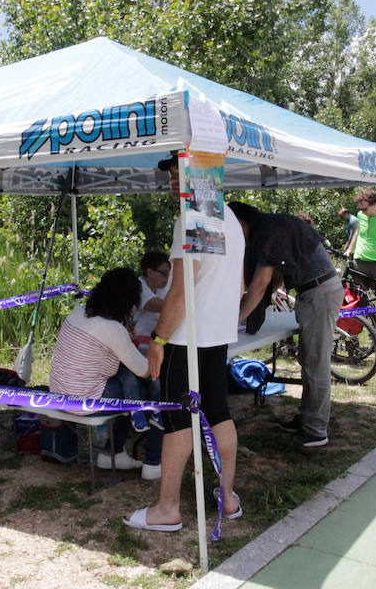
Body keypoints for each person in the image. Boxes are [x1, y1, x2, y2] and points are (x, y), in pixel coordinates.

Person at [123, 154, 244, 532]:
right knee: (218, 412)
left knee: (178, 420)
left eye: (180, 172)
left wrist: (159, 338)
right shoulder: (229, 218)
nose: (174, 180)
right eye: (171, 174)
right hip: (215, 335)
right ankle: (228, 496)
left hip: (187, 337)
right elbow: (237, 285)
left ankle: (167, 509)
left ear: (202, 173)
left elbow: (179, 291)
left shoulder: (192, 216)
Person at [228, 202, 343, 447]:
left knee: (316, 364)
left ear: (241, 223)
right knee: (309, 360)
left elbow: (260, 284)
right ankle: (307, 418)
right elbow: (275, 279)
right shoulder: (275, 223)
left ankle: (315, 430)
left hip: (318, 292)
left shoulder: (268, 232)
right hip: (316, 291)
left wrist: (236, 319)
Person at [48, 267, 163, 479]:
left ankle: (113, 452)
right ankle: (153, 461)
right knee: (156, 386)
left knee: (126, 378)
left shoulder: (77, 312)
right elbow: (145, 370)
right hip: (84, 400)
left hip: (59, 393)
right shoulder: (112, 329)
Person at [345, 188, 376, 290]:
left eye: (365, 209)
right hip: (359, 262)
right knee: (357, 297)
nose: (362, 212)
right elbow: (358, 231)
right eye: (360, 209)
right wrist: (350, 249)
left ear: (374, 204)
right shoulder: (360, 215)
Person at [133, 251, 170, 340]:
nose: (168, 278)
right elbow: (159, 306)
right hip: (137, 345)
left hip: (154, 343)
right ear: (150, 272)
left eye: (169, 274)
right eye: (165, 274)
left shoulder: (162, 288)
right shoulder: (138, 287)